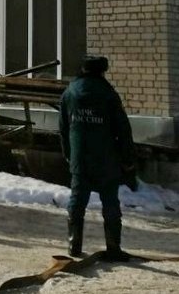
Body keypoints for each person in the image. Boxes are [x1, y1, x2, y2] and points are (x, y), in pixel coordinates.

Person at [59, 55, 136, 261]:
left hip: (79, 158)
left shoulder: (70, 92)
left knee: (77, 201)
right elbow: (123, 128)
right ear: (101, 72)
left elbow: (63, 128)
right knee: (110, 202)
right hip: (106, 158)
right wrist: (128, 158)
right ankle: (113, 248)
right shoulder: (107, 93)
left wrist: (68, 154)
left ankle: (73, 245)